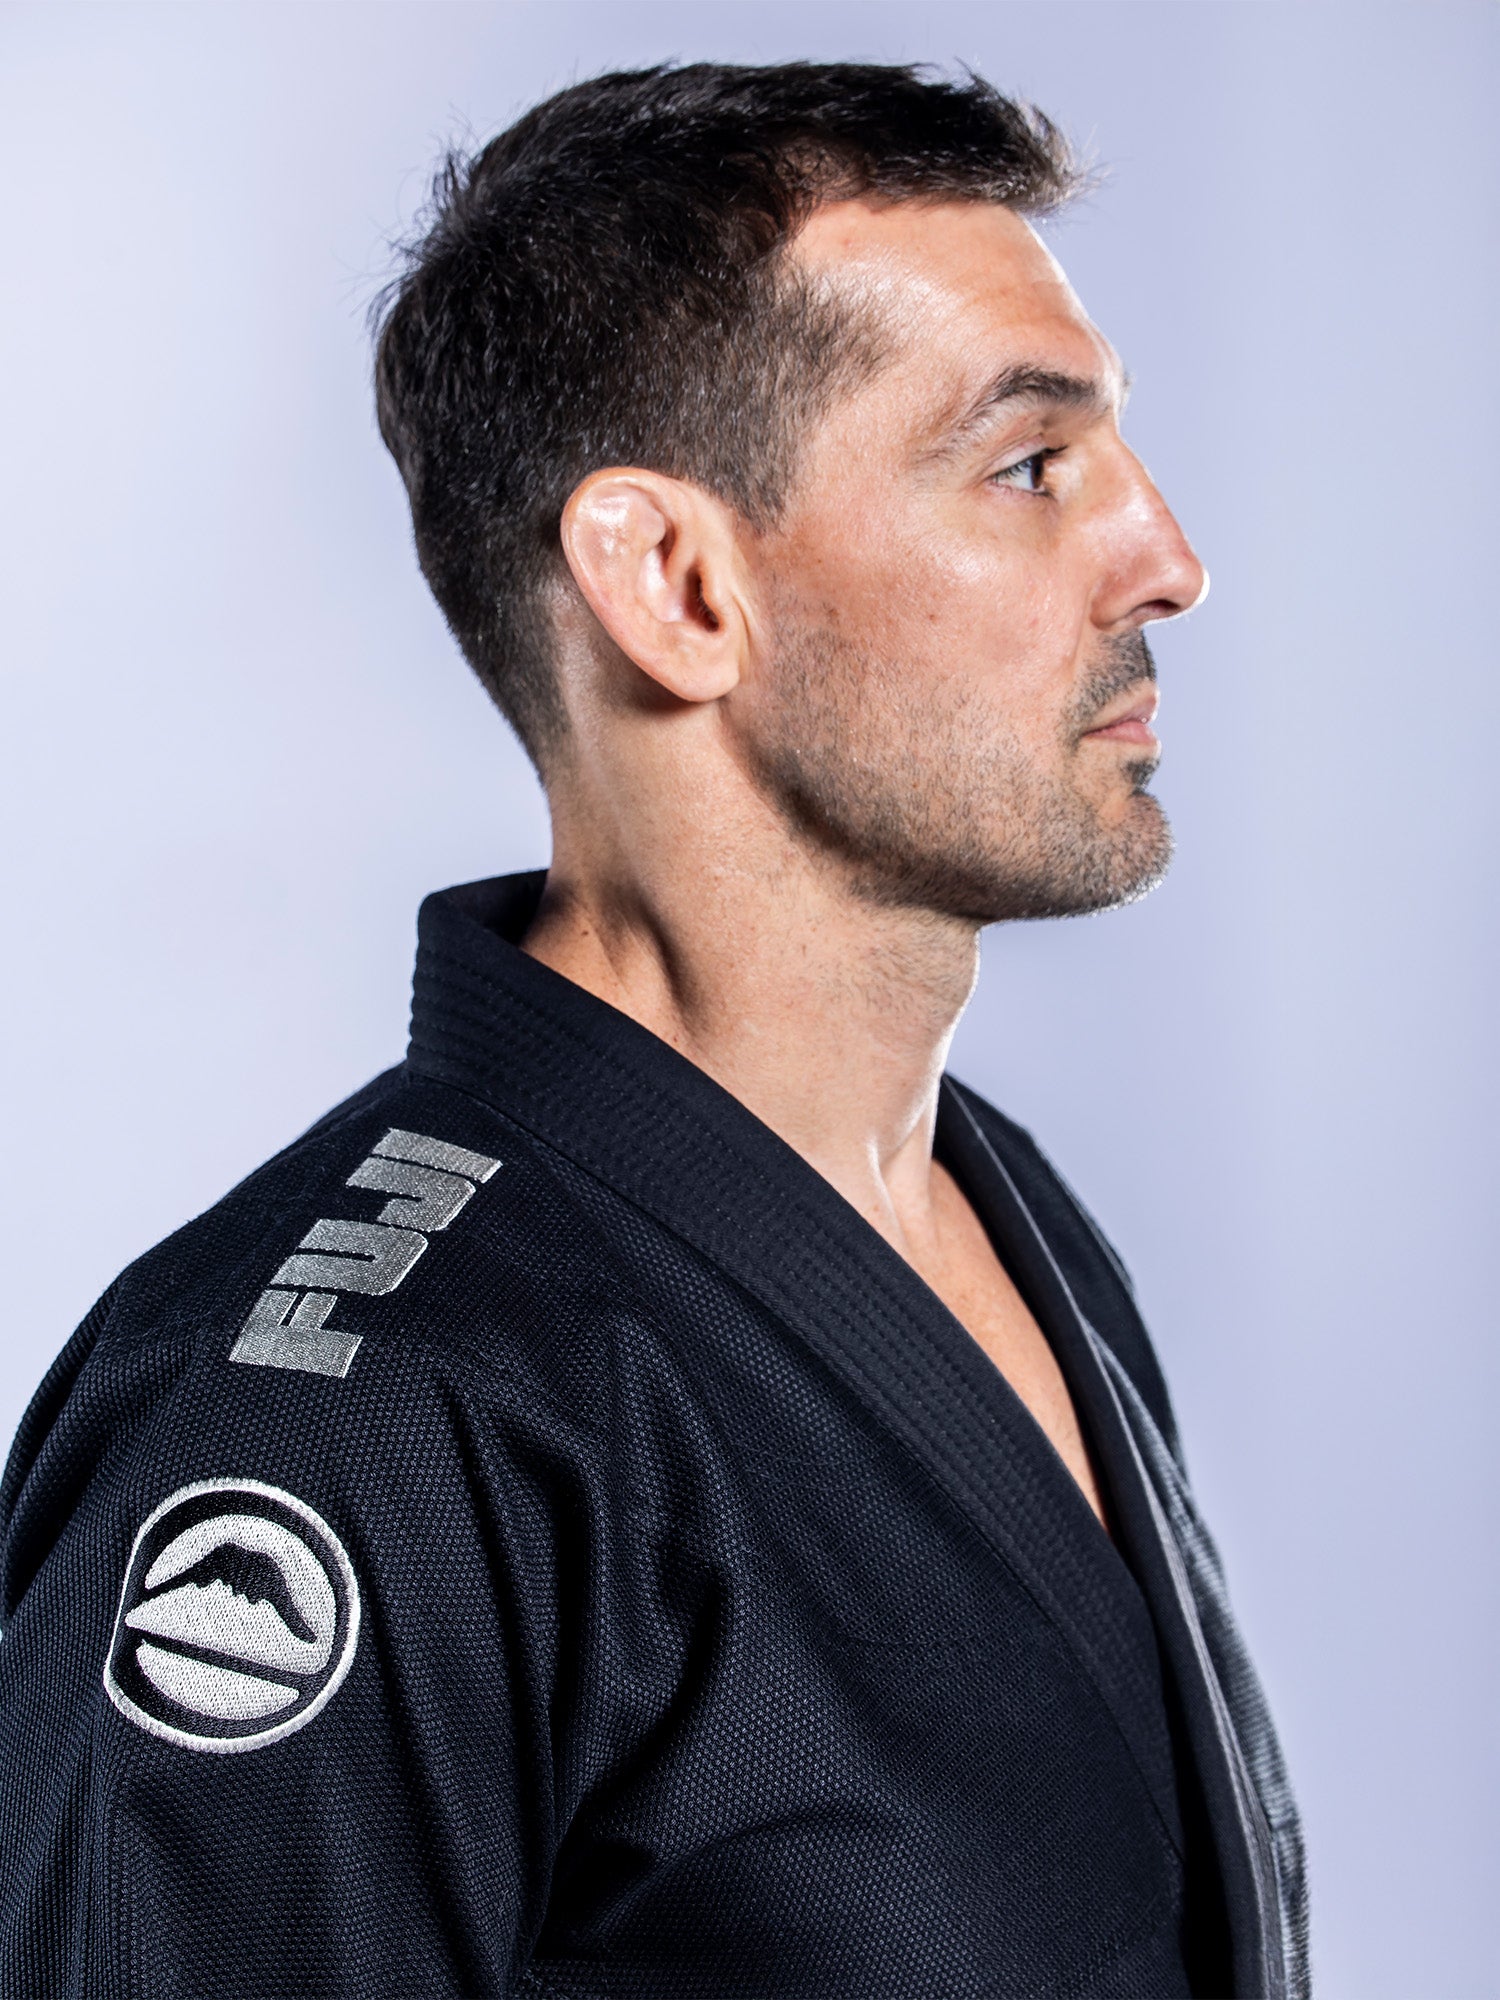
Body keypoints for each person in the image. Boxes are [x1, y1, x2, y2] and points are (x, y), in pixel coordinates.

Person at [0, 61, 1308, 1999]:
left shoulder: (1005, 1219)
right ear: (680, 585)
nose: (1167, 556)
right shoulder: (347, 1424)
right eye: (1032, 468)